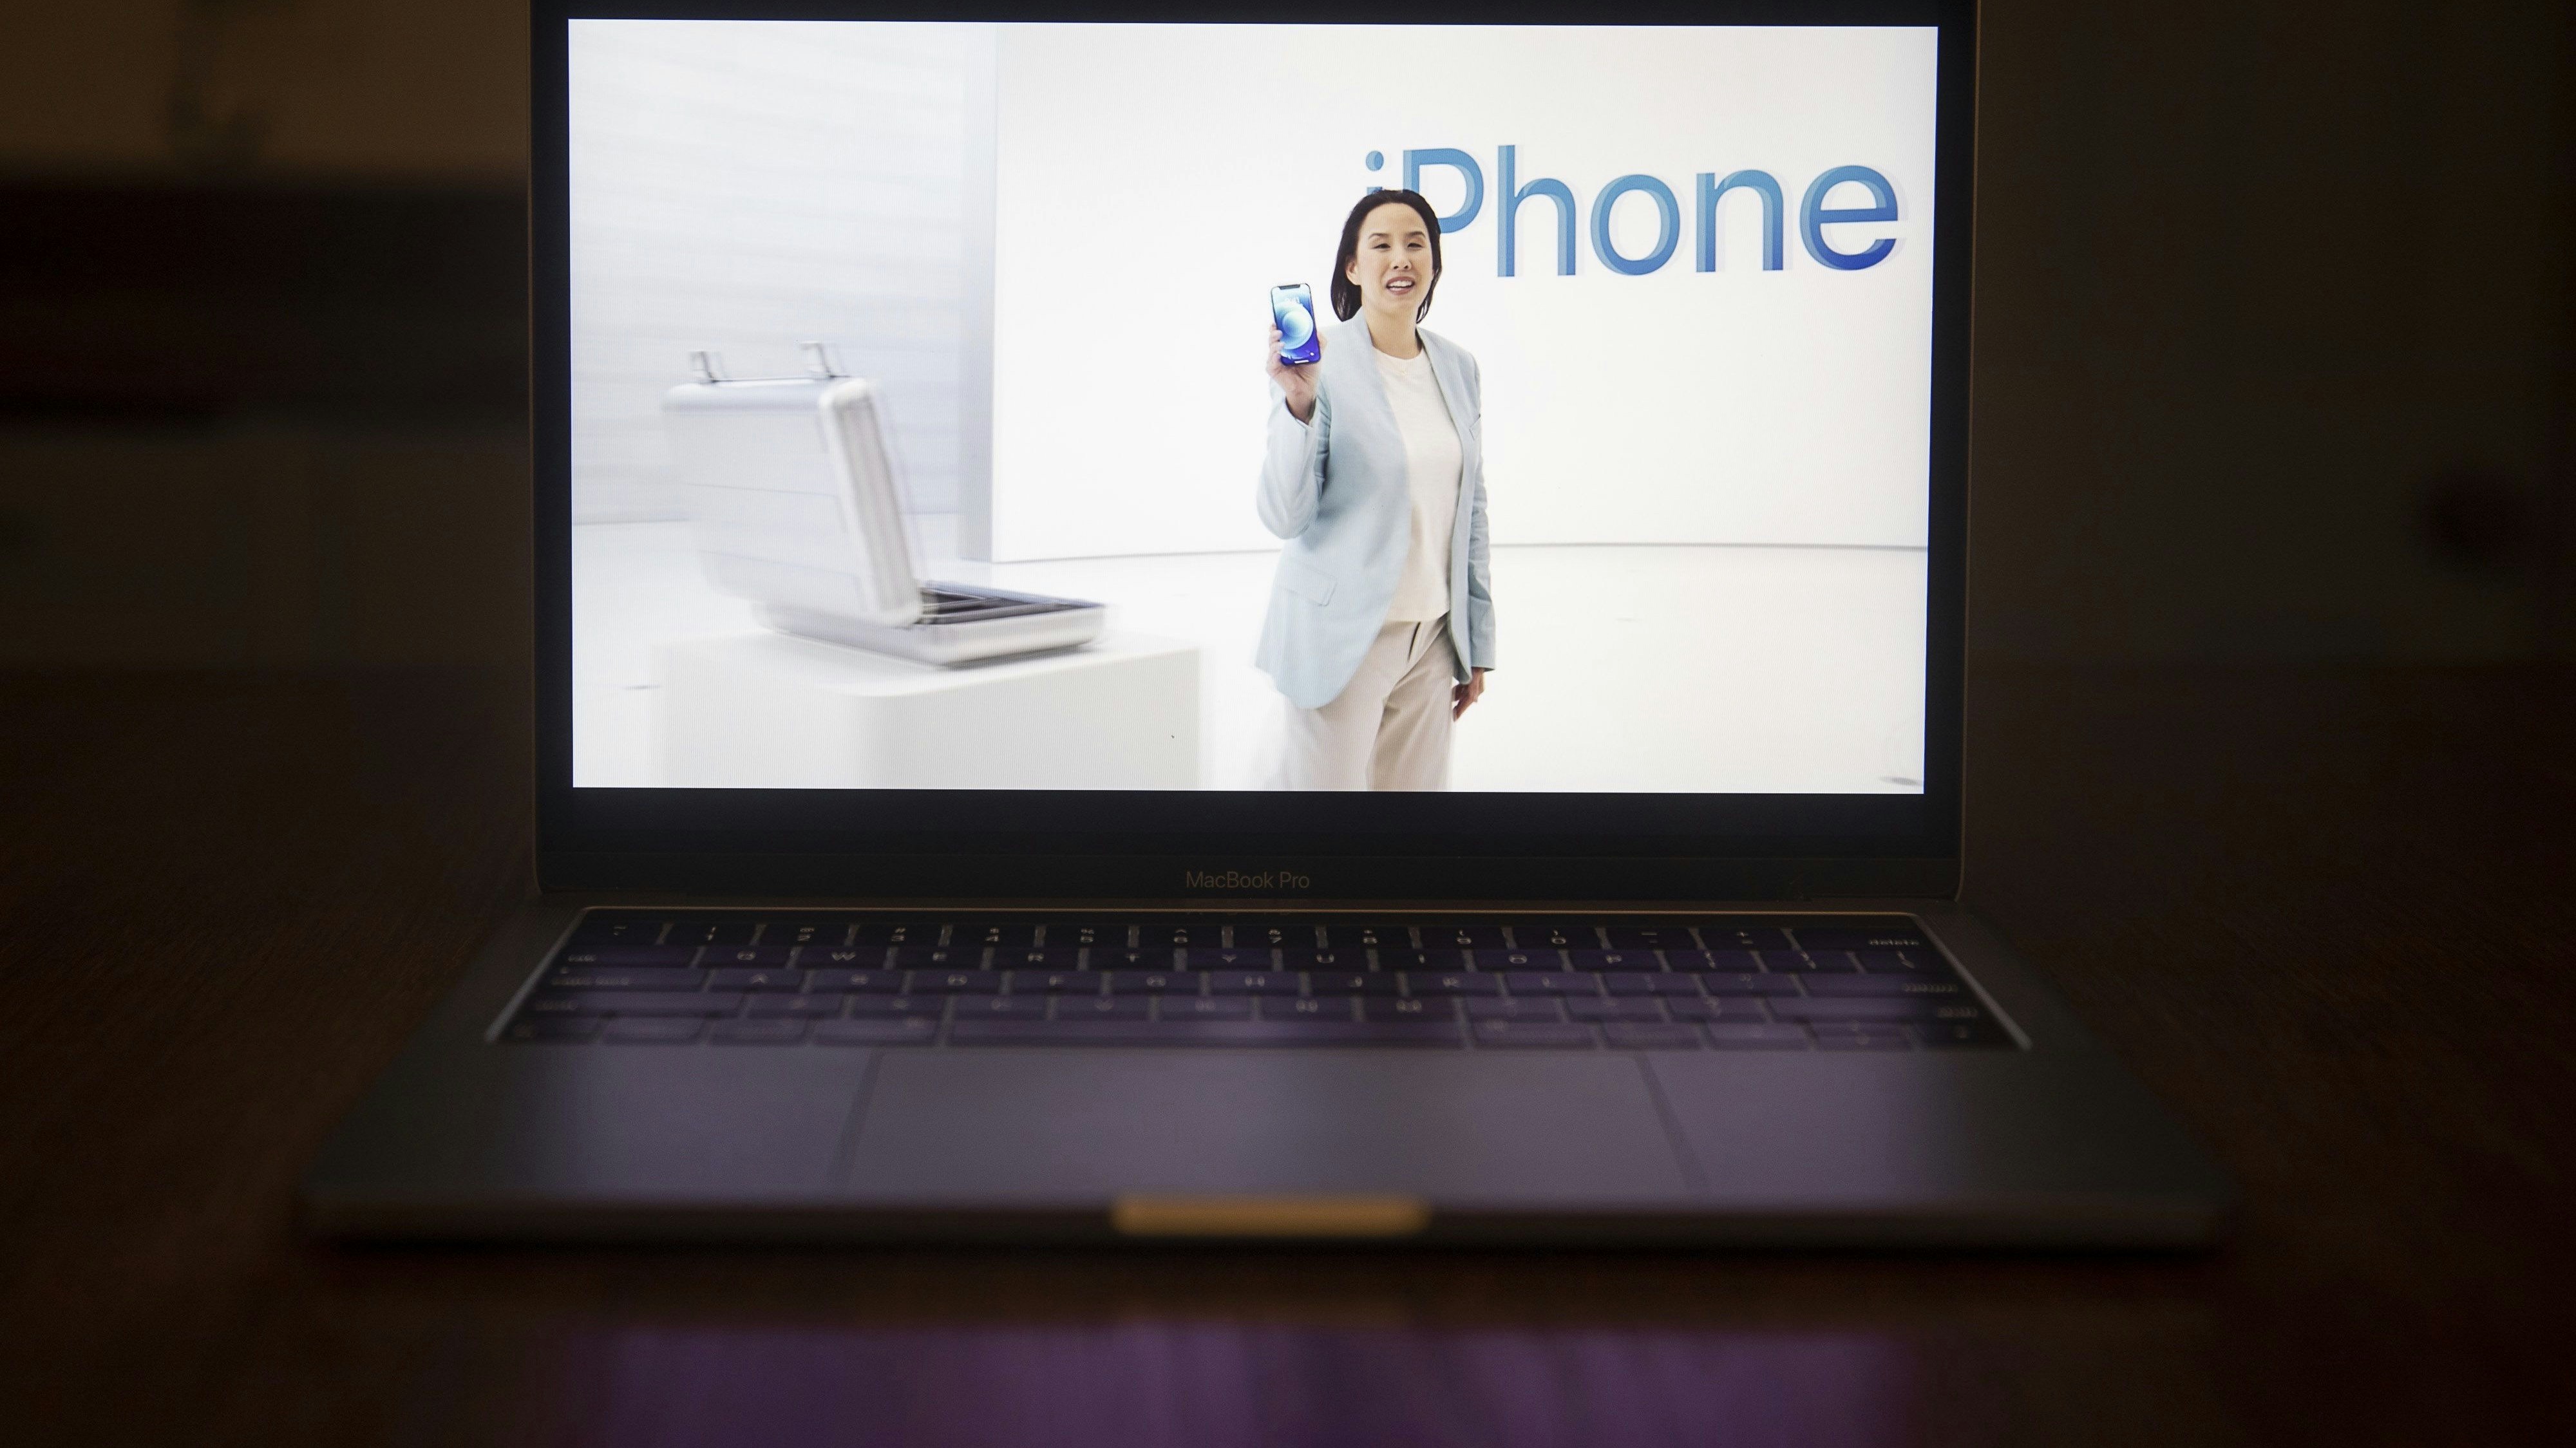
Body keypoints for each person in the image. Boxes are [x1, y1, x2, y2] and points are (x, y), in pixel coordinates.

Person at [1256, 189, 1495, 791]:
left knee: (1408, 844)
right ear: (1353, 267)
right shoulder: (1321, 366)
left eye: (1417, 244)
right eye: (1381, 245)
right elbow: (1286, 516)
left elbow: (1472, 510)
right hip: (1343, 637)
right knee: (1324, 835)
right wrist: (1299, 402)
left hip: (1434, 638)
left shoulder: (1459, 366)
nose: (1402, 259)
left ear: (1435, 264)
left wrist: (1476, 640)